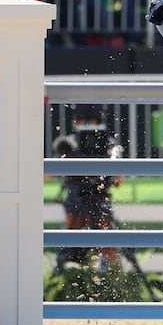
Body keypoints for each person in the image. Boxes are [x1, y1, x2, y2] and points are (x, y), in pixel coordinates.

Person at [56, 105, 125, 271]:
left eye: (90, 120)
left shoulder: (108, 142)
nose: (86, 124)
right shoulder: (71, 142)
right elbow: (51, 173)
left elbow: (119, 179)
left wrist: (112, 168)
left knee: (107, 241)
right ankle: (68, 272)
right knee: (71, 237)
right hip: (76, 196)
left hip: (100, 195)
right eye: (82, 120)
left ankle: (112, 275)